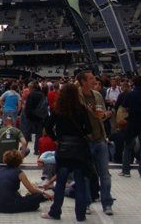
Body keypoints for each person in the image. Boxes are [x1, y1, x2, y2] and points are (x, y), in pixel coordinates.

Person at [42, 83, 92, 222]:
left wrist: (56, 139)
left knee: (60, 182)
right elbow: (88, 129)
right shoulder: (81, 109)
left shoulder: (58, 109)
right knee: (80, 182)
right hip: (79, 150)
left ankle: (55, 212)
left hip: (63, 148)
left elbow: (48, 126)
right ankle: (80, 215)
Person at [77, 70, 114, 215]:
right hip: (85, 140)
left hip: (100, 139)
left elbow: (102, 115)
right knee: (85, 174)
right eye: (91, 78)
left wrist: (104, 115)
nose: (94, 80)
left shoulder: (98, 95)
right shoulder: (76, 96)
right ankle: (86, 203)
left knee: (104, 174)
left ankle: (107, 203)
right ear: (83, 82)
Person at [120, 76, 141, 179]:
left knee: (127, 147)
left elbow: (124, 107)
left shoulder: (129, 95)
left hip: (132, 123)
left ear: (133, 83)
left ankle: (126, 171)